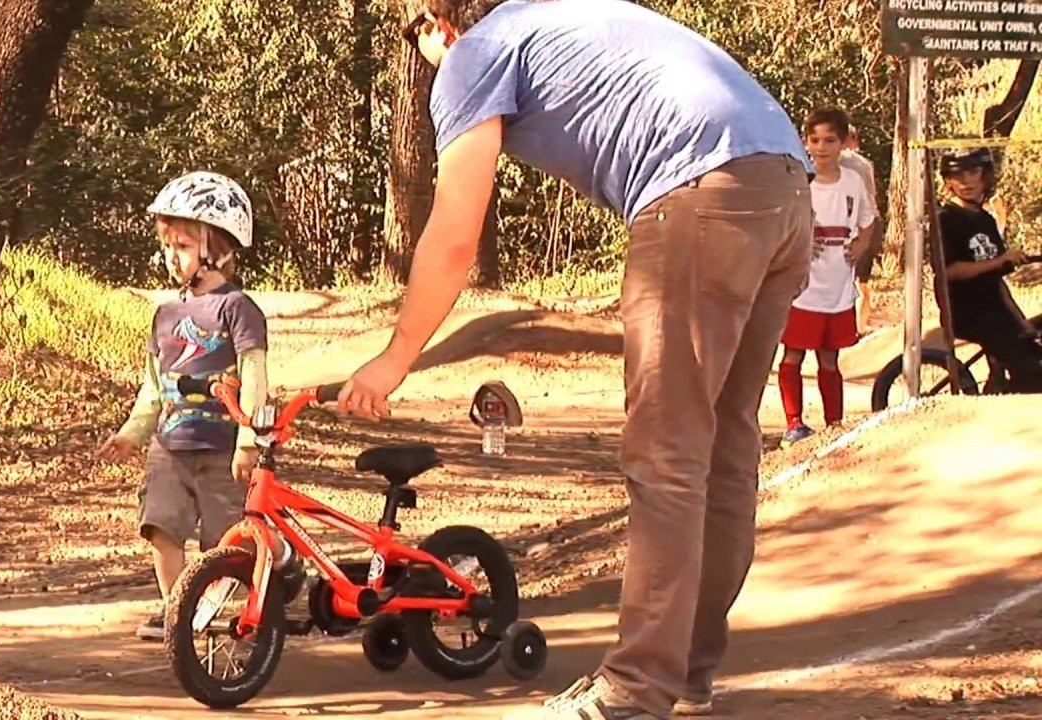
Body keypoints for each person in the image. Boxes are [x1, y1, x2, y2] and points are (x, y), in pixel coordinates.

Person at [336, 1, 813, 718]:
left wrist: (397, 354)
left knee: (667, 452)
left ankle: (635, 688)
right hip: (786, 187)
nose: (423, 53)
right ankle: (684, 672)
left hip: (698, 194)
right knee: (724, 446)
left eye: (415, 37)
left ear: (438, 23)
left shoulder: (471, 53)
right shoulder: (559, 16)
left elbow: (455, 232)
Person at [98, 171, 270, 641]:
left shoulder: (237, 308)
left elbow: (254, 378)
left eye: (183, 246)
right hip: (168, 448)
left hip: (220, 448)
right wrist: (132, 433)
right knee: (160, 524)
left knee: (223, 540)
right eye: (167, 246)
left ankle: (204, 608)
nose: (170, 257)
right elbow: (154, 385)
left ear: (219, 247)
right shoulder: (166, 313)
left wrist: (249, 440)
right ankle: (177, 611)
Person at [777, 107, 876, 447]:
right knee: (793, 353)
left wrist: (861, 246)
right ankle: (793, 423)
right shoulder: (798, 180)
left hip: (838, 283)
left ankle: (834, 423)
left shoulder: (853, 181)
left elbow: (867, 221)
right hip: (804, 286)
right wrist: (800, 244)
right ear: (805, 142)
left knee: (830, 356)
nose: (821, 147)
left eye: (829, 140)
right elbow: (782, 225)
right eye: (815, 140)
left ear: (843, 142)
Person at [936, 146, 1042, 392]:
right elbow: (948, 271)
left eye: (973, 172)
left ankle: (999, 382)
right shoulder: (946, 218)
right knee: (1032, 369)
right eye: (957, 175)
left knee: (1032, 343)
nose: (966, 181)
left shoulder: (985, 219)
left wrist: (1019, 319)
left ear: (985, 175)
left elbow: (997, 282)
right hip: (968, 313)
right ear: (948, 181)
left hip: (996, 311)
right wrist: (998, 261)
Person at [841, 124, 882, 328]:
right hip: (872, 222)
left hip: (851, 224)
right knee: (862, 281)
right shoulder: (865, 163)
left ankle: (851, 328)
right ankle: (861, 326)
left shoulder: (838, 161)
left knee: (848, 280)